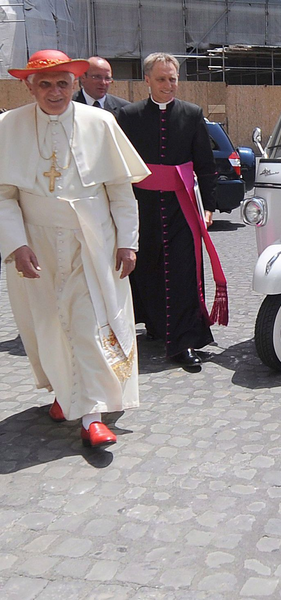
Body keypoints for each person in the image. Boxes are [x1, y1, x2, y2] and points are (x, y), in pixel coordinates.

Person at [0, 49, 150, 448]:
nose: (55, 92)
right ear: (28, 85)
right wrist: (17, 245)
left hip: (92, 242)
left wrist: (127, 242)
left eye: (62, 84)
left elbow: (121, 191)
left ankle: (92, 415)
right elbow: (3, 195)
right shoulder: (8, 126)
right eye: (45, 84)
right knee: (47, 324)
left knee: (88, 324)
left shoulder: (100, 122)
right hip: (38, 243)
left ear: (75, 83)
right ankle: (64, 394)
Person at [117, 52, 227, 372]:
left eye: (173, 78)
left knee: (183, 272)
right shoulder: (129, 115)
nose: (169, 85)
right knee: (146, 269)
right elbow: (119, 167)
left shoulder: (192, 114)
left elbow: (206, 166)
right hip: (142, 206)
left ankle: (184, 341)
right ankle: (155, 325)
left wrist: (208, 206)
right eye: (162, 79)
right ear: (147, 80)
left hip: (182, 206)